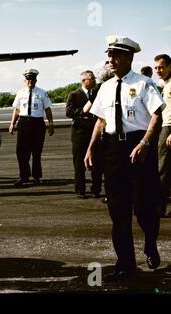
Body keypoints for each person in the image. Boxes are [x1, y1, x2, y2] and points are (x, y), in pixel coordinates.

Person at [84, 36, 164, 282]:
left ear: (129, 57)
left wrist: (144, 142)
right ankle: (125, 264)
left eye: (116, 55)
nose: (111, 60)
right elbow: (100, 120)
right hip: (114, 151)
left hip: (139, 148)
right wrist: (90, 148)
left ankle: (150, 244)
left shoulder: (144, 84)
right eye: (109, 55)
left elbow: (156, 116)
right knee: (118, 211)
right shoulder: (105, 88)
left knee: (144, 208)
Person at [9, 69, 54, 187]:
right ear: (25, 80)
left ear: (36, 80)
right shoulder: (20, 93)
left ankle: (37, 176)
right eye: (28, 79)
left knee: (36, 152)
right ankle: (23, 177)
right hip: (24, 123)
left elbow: (48, 109)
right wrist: (12, 124)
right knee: (21, 152)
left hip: (37, 124)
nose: (30, 81)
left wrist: (51, 123)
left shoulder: (42, 93)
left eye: (32, 79)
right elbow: (17, 109)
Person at [66, 70, 102, 198]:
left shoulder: (98, 94)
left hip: (94, 130)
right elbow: (69, 112)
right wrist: (84, 110)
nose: (94, 80)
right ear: (83, 81)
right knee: (79, 162)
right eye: (91, 78)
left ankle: (96, 189)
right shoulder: (74, 94)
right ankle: (80, 189)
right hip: (79, 132)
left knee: (97, 161)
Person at [154, 54, 171, 218]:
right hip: (165, 127)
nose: (158, 70)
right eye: (156, 68)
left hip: (168, 128)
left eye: (162, 67)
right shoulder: (165, 84)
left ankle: (160, 207)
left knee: (162, 168)